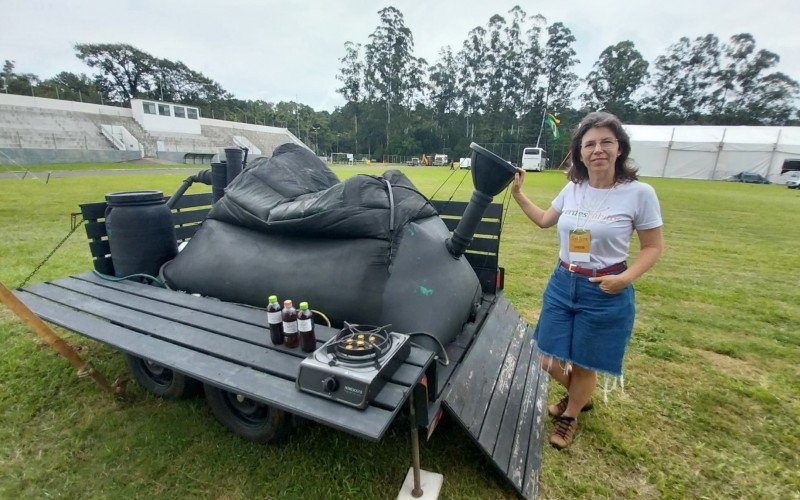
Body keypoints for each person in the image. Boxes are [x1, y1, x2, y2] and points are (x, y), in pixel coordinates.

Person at [511, 111, 664, 450]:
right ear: (580, 152)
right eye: (589, 144)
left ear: (619, 148)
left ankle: (570, 416)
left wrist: (623, 279)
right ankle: (579, 396)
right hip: (563, 282)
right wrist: (519, 195)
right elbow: (544, 220)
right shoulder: (573, 188)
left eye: (606, 142)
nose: (598, 150)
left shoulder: (639, 194)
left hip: (604, 289)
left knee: (583, 362)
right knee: (547, 358)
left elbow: (653, 247)